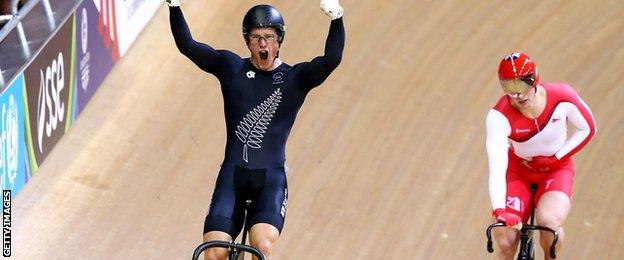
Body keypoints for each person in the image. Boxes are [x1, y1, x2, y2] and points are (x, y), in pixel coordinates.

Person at [164, 0, 345, 259]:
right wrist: (174, 6)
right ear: (247, 42)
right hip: (232, 179)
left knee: (261, 248)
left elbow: (331, 60)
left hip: (270, 182)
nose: (263, 44)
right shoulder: (231, 68)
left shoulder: (295, 78)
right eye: (256, 37)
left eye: (269, 37)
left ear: (279, 41)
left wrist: (337, 18)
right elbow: (188, 46)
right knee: (213, 252)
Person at [485, 52, 596, 259]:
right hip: (519, 171)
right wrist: (500, 210)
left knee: (550, 226)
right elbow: (497, 167)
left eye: (523, 85)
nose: (518, 95)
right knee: (505, 242)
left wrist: (557, 157)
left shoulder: (562, 96)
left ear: (535, 79)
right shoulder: (498, 117)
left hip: (556, 170)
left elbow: (588, 128)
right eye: (511, 88)